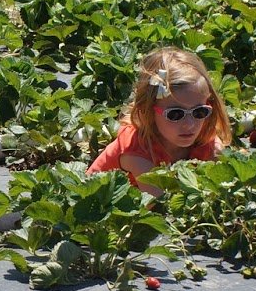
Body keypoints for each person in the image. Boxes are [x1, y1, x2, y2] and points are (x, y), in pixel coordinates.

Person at [87, 47, 233, 192]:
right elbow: (158, 205)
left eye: (200, 112)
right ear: (147, 110)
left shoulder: (206, 142)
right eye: (175, 114)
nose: (189, 124)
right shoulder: (137, 153)